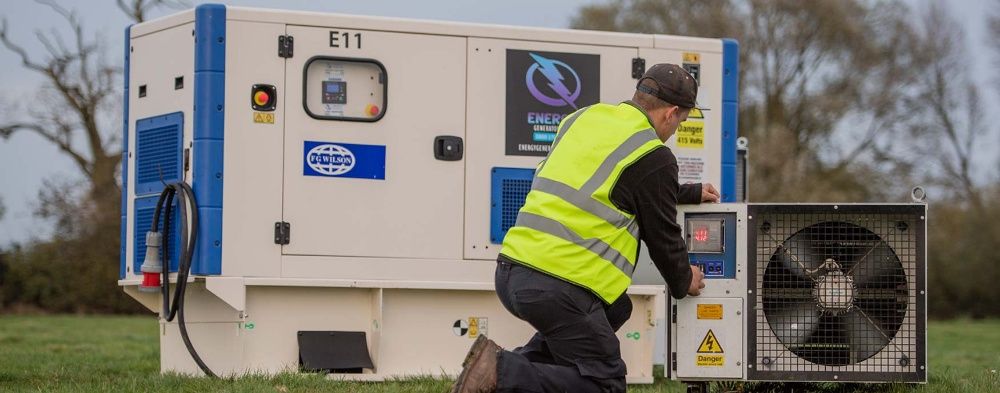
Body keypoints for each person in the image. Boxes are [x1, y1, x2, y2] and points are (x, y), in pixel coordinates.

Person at [451, 63, 718, 393]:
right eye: (681, 122)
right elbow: (663, 238)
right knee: (605, 384)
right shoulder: (653, 153)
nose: (675, 131)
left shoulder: (583, 119)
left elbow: (615, 183)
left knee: (617, 309)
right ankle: (500, 374)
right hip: (558, 285)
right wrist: (684, 280)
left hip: (512, 271)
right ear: (671, 113)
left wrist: (687, 191)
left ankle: (497, 367)